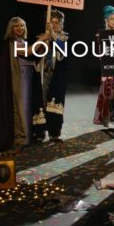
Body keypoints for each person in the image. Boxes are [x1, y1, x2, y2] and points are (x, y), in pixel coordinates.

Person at [0, 17, 47, 153]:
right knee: (21, 107)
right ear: (11, 29)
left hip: (30, 75)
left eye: (23, 25)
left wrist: (44, 41)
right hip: (20, 77)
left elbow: (35, 54)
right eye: (16, 26)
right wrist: (42, 40)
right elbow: (28, 52)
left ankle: (30, 135)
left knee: (30, 106)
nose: (20, 28)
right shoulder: (12, 43)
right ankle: (21, 138)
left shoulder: (22, 41)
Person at [34, 9, 69, 143]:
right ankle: (40, 132)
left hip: (57, 76)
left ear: (61, 24)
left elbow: (65, 51)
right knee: (41, 102)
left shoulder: (65, 38)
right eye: (51, 22)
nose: (54, 25)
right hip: (43, 73)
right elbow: (33, 55)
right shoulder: (41, 36)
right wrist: (43, 41)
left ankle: (54, 133)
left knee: (55, 102)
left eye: (56, 22)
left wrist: (53, 36)